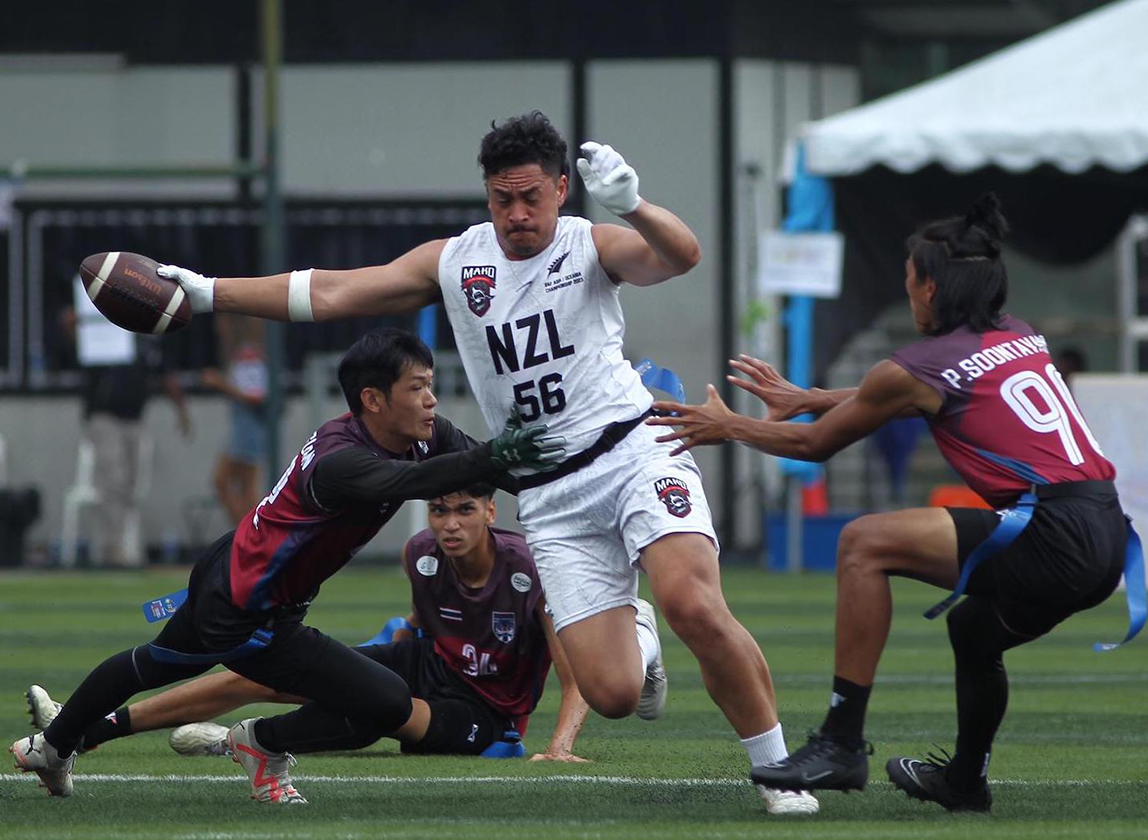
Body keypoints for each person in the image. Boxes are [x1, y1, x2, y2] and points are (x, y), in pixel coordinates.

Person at [154, 111, 817, 815]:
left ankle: (779, 775)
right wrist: (207, 292)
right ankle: (640, 634)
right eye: (503, 199)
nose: (518, 214)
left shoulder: (590, 243)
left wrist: (631, 202)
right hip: (551, 494)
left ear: (563, 188)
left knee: (696, 604)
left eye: (532, 197)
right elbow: (334, 292)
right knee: (616, 695)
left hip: (633, 451)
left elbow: (680, 256)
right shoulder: (456, 260)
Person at [648, 194, 1134, 814]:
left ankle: (841, 740)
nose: (909, 296)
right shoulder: (1017, 333)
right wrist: (816, 395)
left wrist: (729, 426)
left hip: (1053, 534)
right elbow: (912, 393)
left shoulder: (919, 365)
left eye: (910, 284)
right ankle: (964, 780)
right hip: (1105, 533)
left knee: (863, 543)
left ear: (931, 289)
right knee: (974, 632)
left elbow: (817, 445)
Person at [11, 329, 565, 803]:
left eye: (429, 387)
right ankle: (239, 745)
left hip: (253, 589)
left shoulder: (421, 437)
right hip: (242, 605)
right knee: (374, 701)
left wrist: (573, 485)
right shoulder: (339, 461)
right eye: (417, 388)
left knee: (160, 665)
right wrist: (496, 454)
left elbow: (490, 470)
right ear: (373, 399)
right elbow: (413, 482)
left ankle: (60, 746)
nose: (431, 401)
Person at [24, 483, 592, 762]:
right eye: (439, 510)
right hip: (425, 664)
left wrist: (561, 745)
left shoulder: (532, 570)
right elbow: (424, 621)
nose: (449, 523)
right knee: (255, 668)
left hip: (485, 711)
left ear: (492, 512)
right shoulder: (419, 553)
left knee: (380, 710)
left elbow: (576, 679)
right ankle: (90, 730)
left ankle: (235, 743)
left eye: (464, 510)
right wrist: (393, 641)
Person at [64, 280, 192, 566]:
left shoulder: (149, 334)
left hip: (135, 416)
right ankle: (111, 552)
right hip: (104, 414)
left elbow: (164, 373)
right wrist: (74, 326)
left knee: (132, 484)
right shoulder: (104, 324)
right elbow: (81, 347)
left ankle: (123, 545)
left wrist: (182, 411)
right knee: (113, 480)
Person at [202, 315, 269, 526]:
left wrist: (221, 384)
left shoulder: (248, 353)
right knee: (242, 485)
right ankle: (249, 535)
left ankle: (249, 535)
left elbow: (254, 395)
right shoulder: (243, 353)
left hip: (248, 427)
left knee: (228, 481)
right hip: (245, 426)